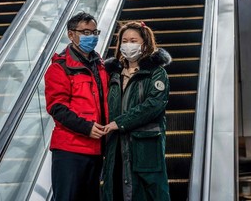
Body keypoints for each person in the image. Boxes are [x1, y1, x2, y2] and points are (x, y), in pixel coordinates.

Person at [100, 21, 172, 201]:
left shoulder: (156, 72)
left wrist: (121, 122)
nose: (128, 45)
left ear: (144, 44)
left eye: (133, 40)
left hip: (144, 145)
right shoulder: (113, 73)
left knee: (147, 192)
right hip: (115, 144)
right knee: (116, 189)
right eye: (124, 41)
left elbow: (154, 104)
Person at [44, 12, 109, 201]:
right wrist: (86, 127)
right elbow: (57, 108)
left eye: (95, 32)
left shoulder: (102, 66)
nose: (92, 37)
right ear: (71, 35)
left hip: (97, 150)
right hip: (70, 151)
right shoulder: (59, 68)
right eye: (86, 32)